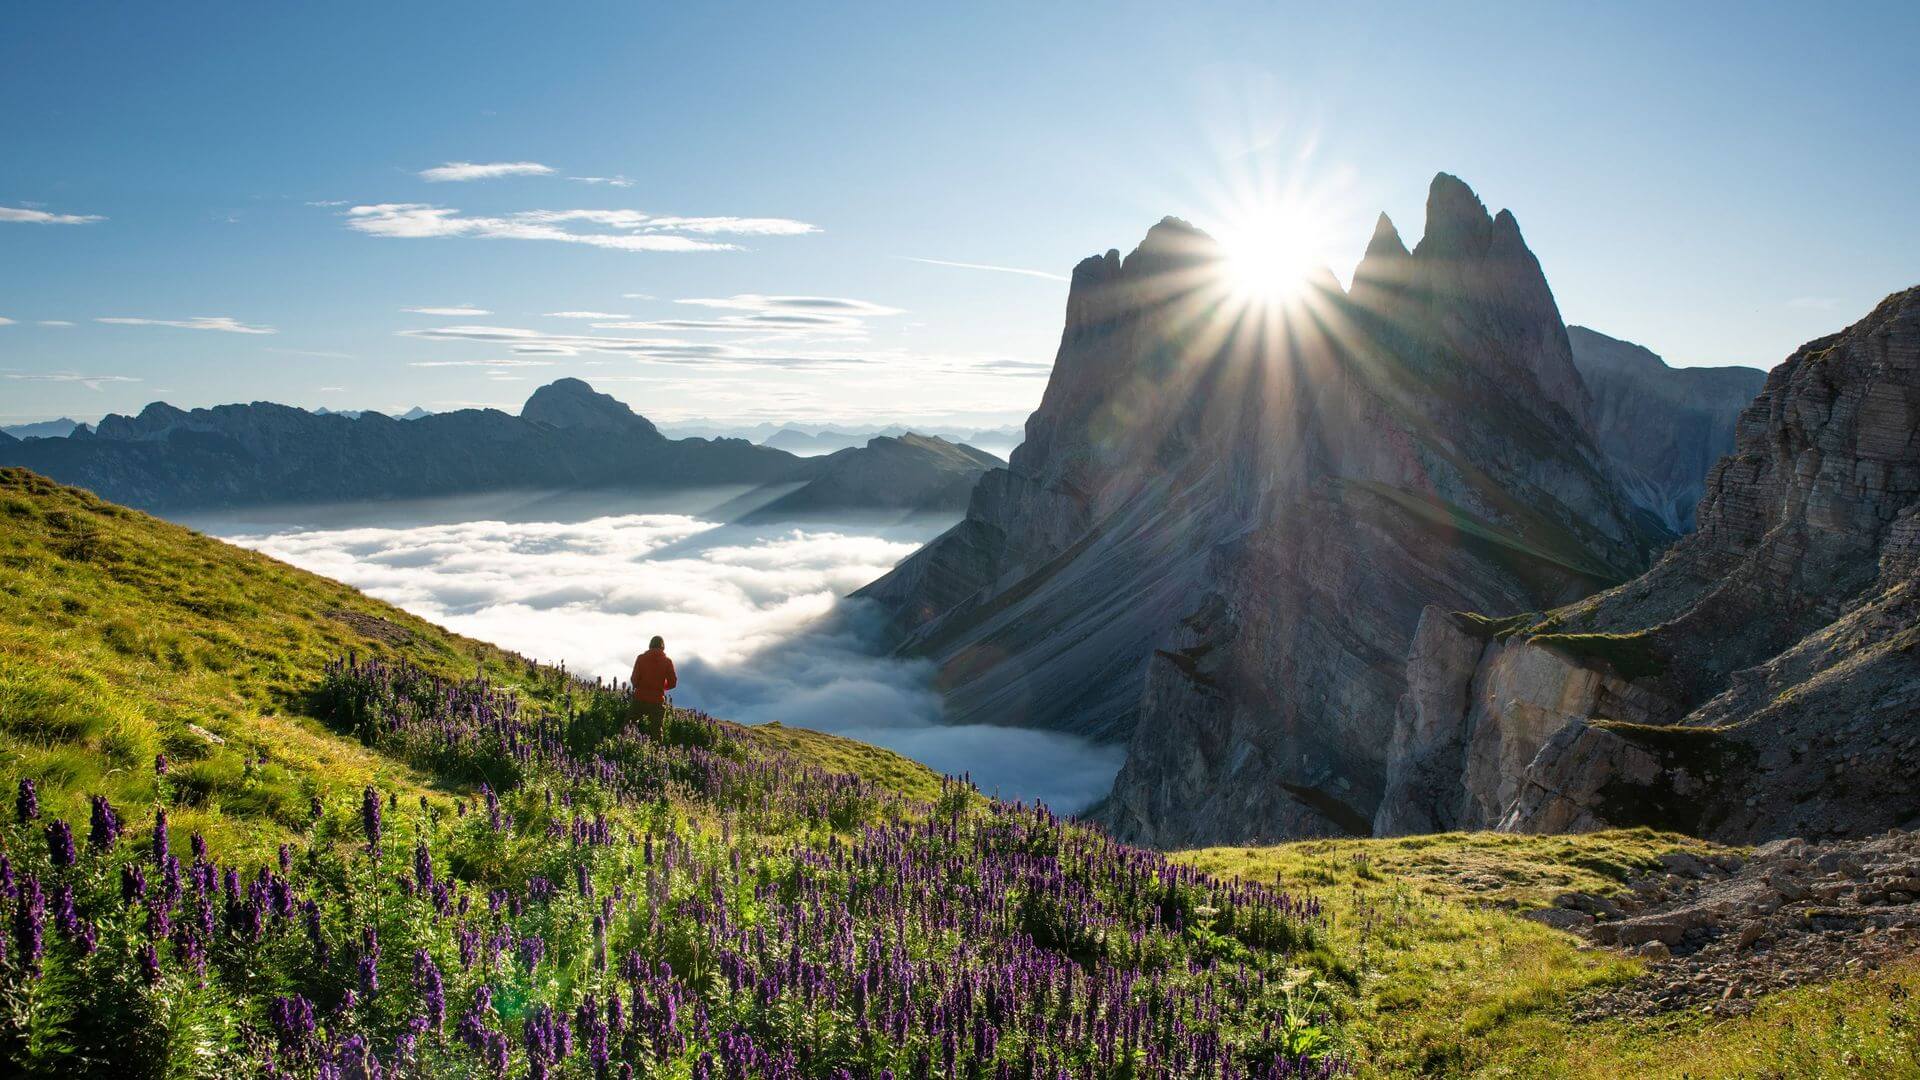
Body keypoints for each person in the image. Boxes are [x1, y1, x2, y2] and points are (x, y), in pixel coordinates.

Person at [629, 635, 677, 739]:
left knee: (628, 726)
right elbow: (673, 683)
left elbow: (634, 679)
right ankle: (656, 753)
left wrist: (641, 686)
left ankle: (620, 751)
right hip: (656, 701)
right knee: (656, 733)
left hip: (639, 698)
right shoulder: (667, 662)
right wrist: (660, 687)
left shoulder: (641, 658)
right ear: (663, 647)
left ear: (650, 645)